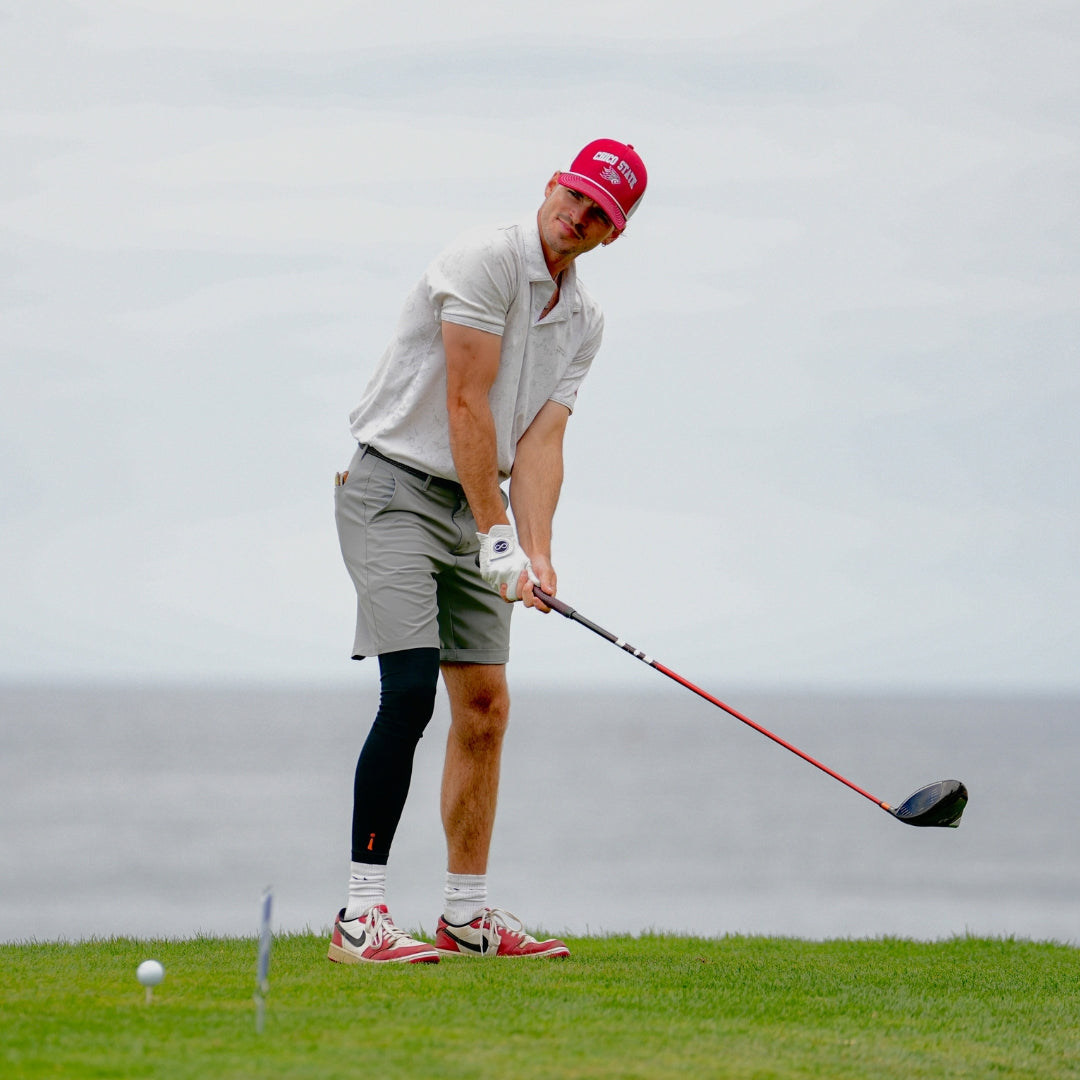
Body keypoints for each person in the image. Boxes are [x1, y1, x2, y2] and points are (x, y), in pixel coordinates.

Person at [327, 139, 648, 964]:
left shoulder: (584, 321)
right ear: (552, 185)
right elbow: (466, 404)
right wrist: (496, 536)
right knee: (409, 693)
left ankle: (465, 917)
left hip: (480, 508)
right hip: (394, 491)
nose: (578, 217)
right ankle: (360, 916)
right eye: (575, 196)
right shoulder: (485, 259)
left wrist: (536, 553)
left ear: (613, 233)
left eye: (599, 215)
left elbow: (541, 442)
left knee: (484, 707)